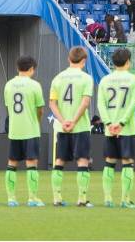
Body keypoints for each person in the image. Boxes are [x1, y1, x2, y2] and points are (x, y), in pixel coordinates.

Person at [49, 46, 93, 207]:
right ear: (84, 61)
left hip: (62, 127)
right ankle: (82, 198)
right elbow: (85, 102)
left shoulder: (58, 78)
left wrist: (63, 120)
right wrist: (74, 121)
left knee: (59, 161)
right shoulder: (86, 78)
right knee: (82, 161)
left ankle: (57, 198)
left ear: (69, 59)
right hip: (79, 127)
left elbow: (52, 103)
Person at [97, 48, 135, 209]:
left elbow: (101, 105)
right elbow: (133, 104)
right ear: (128, 61)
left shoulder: (105, 80)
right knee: (127, 163)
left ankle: (108, 198)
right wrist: (121, 123)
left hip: (110, 129)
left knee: (109, 163)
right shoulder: (134, 80)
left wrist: (109, 123)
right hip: (127, 129)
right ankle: (125, 199)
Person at [3, 56, 46, 207]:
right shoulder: (35, 85)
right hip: (30, 129)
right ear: (31, 69)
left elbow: (8, 107)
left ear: (17, 68)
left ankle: (11, 198)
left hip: (15, 129)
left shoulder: (9, 85)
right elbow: (40, 109)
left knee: (12, 163)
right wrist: (36, 121)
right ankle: (32, 198)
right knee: (31, 163)